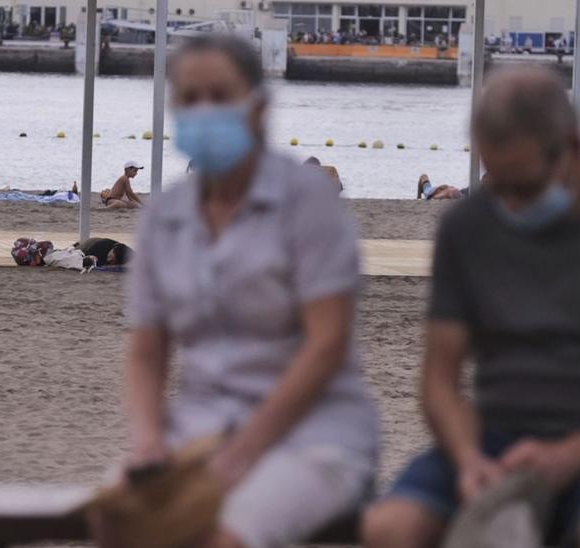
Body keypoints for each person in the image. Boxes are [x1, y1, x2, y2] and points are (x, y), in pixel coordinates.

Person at [362, 67, 580, 548]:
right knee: (390, 526)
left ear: (571, 147)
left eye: (524, 187)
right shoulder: (468, 225)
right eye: (494, 181)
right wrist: (467, 458)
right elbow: (439, 382)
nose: (507, 203)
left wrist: (574, 454)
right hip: (498, 441)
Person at [96, 35, 377, 548]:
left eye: (220, 97)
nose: (204, 111)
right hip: (199, 429)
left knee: (225, 536)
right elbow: (146, 348)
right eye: (190, 97)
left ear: (259, 106)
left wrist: (242, 454)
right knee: (117, 520)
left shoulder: (308, 202)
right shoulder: (165, 216)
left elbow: (326, 345)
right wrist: (149, 441)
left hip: (311, 435)